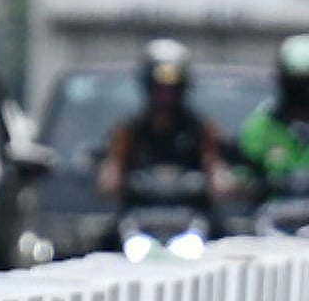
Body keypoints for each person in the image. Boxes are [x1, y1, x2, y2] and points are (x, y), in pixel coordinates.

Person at [99, 38, 233, 206]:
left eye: (172, 89)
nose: (166, 96)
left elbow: (215, 165)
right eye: (160, 90)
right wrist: (111, 176)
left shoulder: (201, 129)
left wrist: (219, 179)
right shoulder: (129, 129)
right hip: (139, 212)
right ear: (148, 88)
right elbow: (113, 166)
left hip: (192, 213)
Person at [237, 33, 309, 187]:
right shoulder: (261, 126)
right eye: (296, 86)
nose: (304, 94)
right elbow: (243, 172)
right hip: (275, 201)